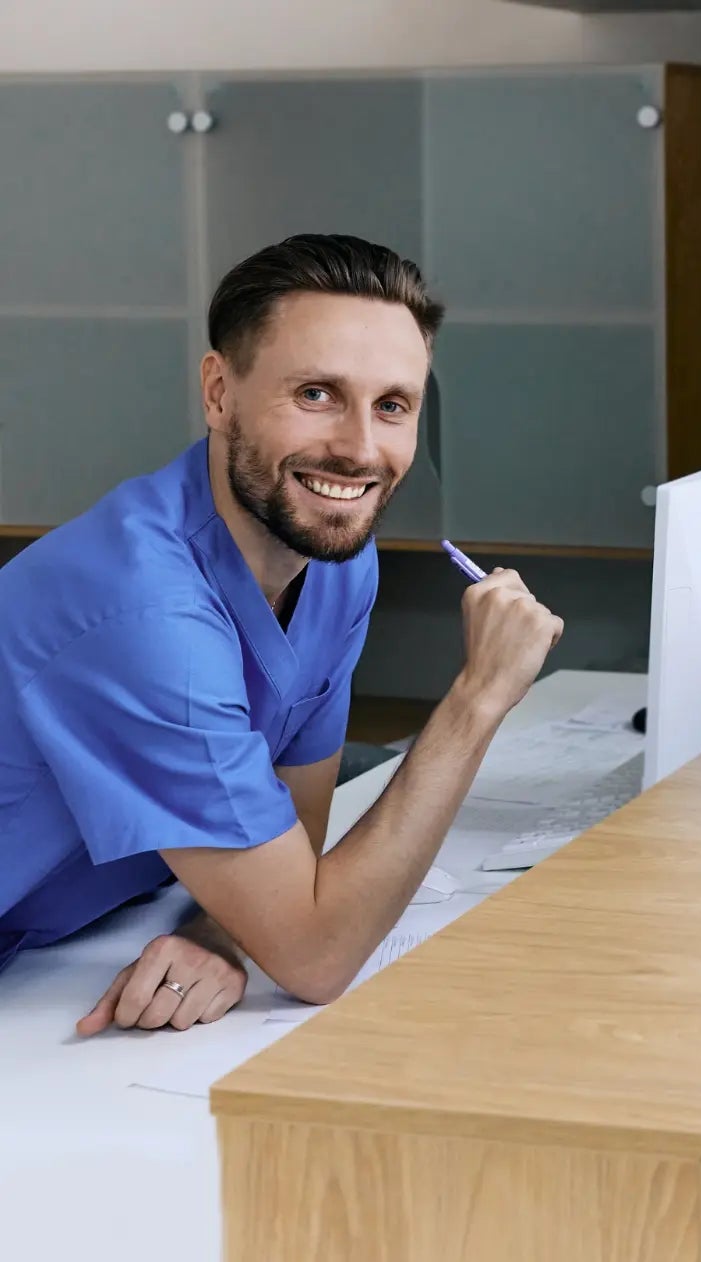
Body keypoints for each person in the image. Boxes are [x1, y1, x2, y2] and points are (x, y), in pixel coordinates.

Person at [0, 234, 563, 1034]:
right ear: (219, 391)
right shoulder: (145, 616)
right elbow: (315, 956)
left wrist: (218, 926)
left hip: (62, 956)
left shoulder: (331, 558)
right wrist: (478, 698)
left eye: (393, 405)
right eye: (316, 394)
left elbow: (295, 840)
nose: (360, 449)